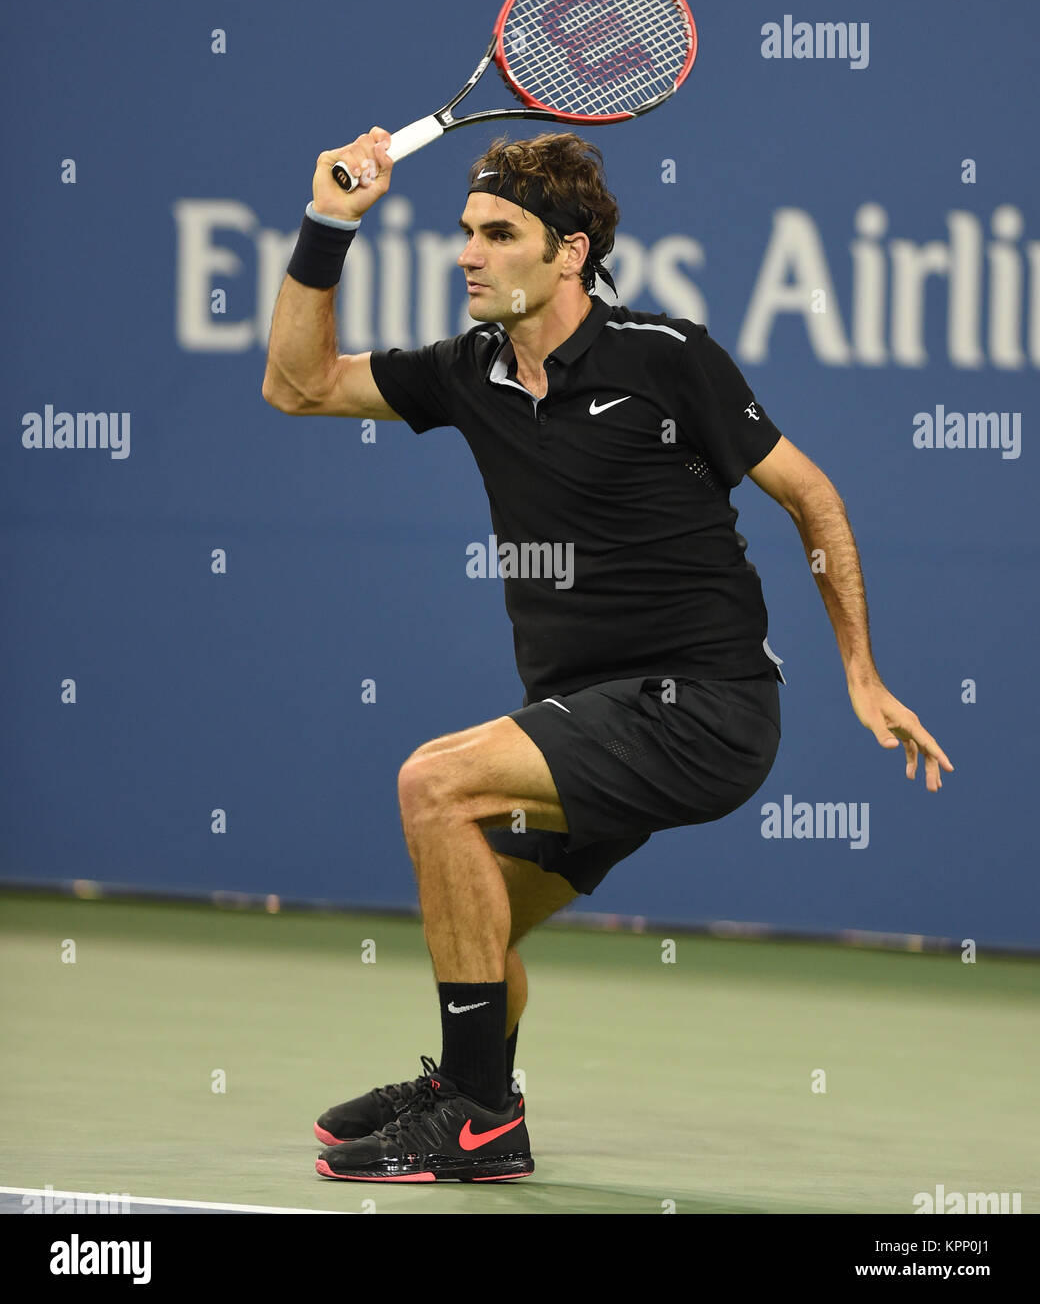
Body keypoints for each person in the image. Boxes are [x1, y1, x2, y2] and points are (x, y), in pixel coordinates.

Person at [262, 128, 954, 1184]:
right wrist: (327, 225)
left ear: (569, 252)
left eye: (499, 234)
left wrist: (858, 668)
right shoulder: (466, 372)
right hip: (588, 715)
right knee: (476, 910)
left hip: (706, 710)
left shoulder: (664, 360)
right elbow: (297, 385)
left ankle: (473, 1114)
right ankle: (478, 1093)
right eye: (465, 233)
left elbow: (810, 496)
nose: (468, 254)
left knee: (430, 783)